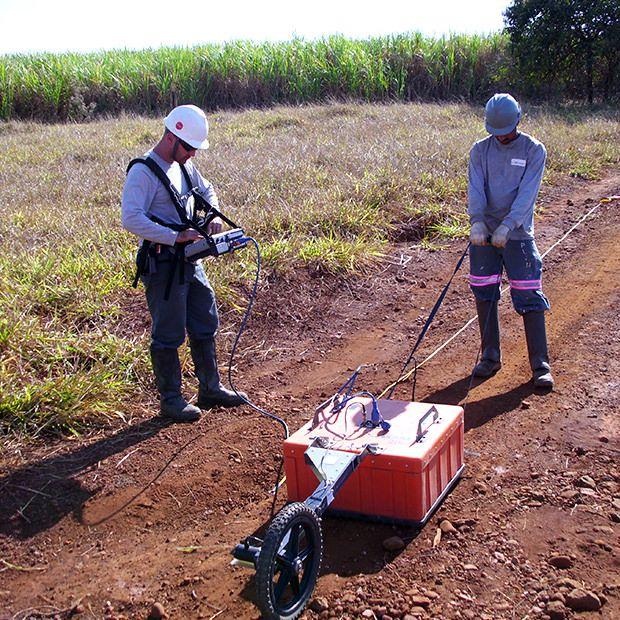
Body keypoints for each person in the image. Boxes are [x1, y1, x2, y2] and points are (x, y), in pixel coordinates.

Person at [121, 104, 247, 422]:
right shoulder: (143, 172)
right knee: (169, 332)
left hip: (191, 260)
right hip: (163, 265)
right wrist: (174, 236)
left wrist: (214, 215)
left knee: (205, 319)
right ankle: (171, 400)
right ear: (171, 137)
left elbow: (207, 190)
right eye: (189, 147)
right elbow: (131, 218)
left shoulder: (185, 165)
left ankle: (210, 388)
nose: (193, 154)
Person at [467, 93, 554, 389]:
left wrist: (507, 226)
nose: (502, 139)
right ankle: (490, 357)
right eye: (496, 134)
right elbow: (475, 188)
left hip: (517, 234)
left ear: (519, 119)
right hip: (484, 235)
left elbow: (527, 195)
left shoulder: (533, 150)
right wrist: (477, 221)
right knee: (484, 291)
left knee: (529, 294)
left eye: (506, 133)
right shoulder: (479, 151)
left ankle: (540, 364)